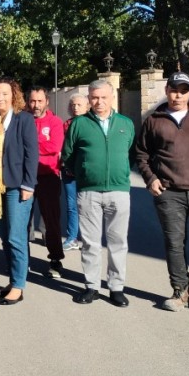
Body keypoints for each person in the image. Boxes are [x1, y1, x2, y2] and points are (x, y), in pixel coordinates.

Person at [136, 71, 189, 312]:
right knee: (174, 244)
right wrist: (150, 179)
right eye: (174, 89)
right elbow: (141, 154)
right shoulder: (154, 120)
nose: (178, 94)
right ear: (166, 90)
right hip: (169, 194)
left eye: (183, 90)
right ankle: (181, 292)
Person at [62, 80, 134, 307]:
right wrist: (84, 173)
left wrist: (118, 172)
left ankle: (116, 287)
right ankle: (92, 286)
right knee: (91, 243)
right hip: (88, 192)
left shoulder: (126, 124)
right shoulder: (79, 124)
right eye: (94, 97)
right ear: (89, 98)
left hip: (119, 191)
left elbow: (130, 154)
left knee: (118, 242)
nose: (99, 102)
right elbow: (68, 155)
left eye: (104, 97)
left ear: (112, 96)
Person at [0, 76, 38, 305]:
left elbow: (32, 155)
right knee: (5, 237)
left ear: (14, 96)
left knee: (16, 237)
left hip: (16, 187)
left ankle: (19, 287)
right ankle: (12, 281)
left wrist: (28, 184)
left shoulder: (24, 120)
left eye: (4, 93)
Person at [27, 86, 65, 278]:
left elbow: (55, 146)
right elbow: (19, 144)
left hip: (49, 177)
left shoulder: (55, 122)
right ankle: (22, 259)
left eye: (40, 101)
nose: (36, 105)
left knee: (51, 220)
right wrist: (38, 145)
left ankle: (55, 260)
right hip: (26, 177)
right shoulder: (23, 120)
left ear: (46, 101)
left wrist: (31, 144)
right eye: (33, 101)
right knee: (23, 221)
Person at [62, 93, 89, 251]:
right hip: (69, 173)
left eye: (79, 105)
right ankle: (72, 237)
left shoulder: (91, 124)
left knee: (87, 206)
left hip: (87, 173)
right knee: (72, 206)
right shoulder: (66, 124)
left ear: (87, 106)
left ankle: (87, 239)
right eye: (73, 105)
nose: (75, 107)